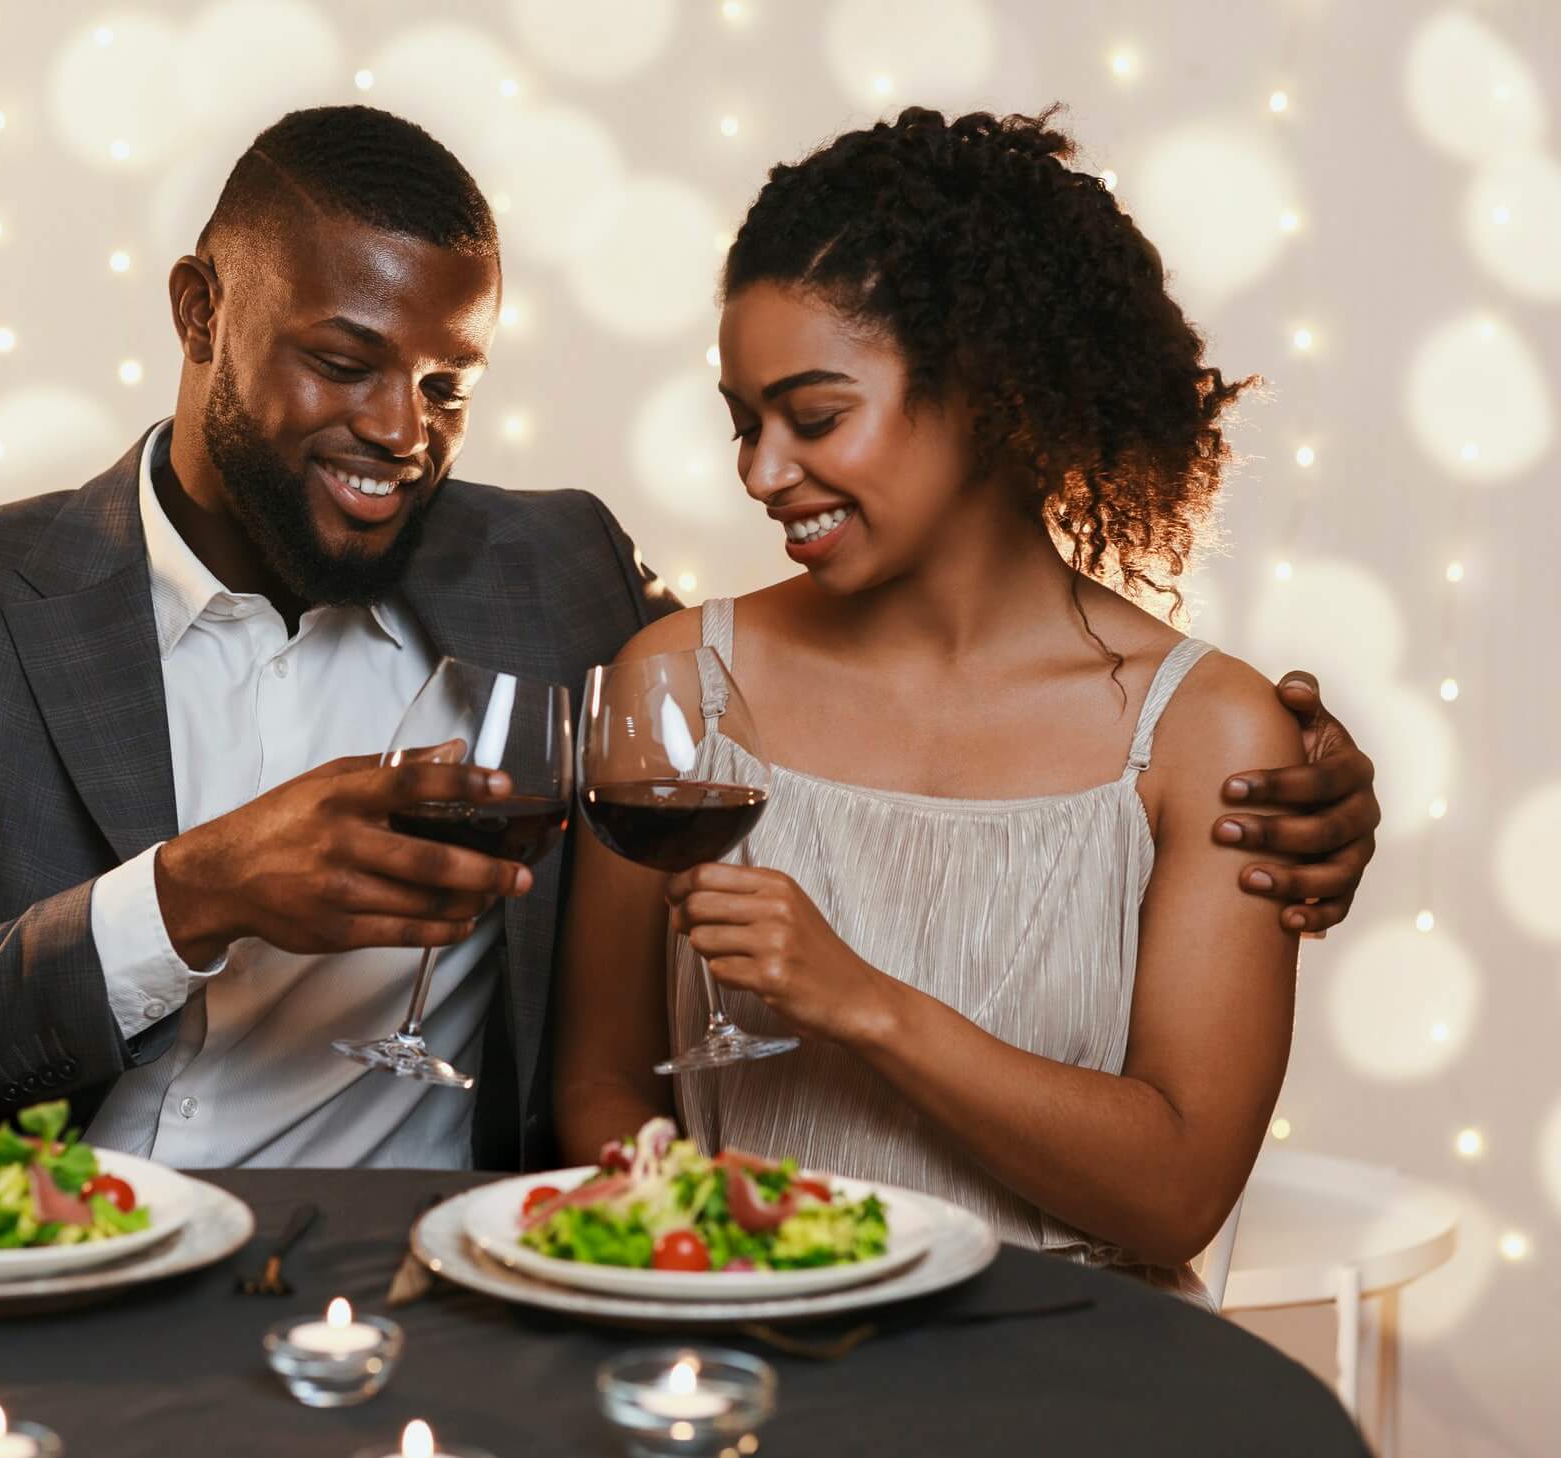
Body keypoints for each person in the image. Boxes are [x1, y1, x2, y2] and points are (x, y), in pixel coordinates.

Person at [0, 104, 1376, 1177]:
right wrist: (197, 893)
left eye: (450, 379)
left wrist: (1298, 775)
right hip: (70, 1286)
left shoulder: (557, 576)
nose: (404, 430)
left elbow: (841, 684)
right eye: (346, 362)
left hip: (446, 1309)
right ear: (201, 311)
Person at [554, 107, 1355, 1298]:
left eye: (814, 417)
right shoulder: (675, 681)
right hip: (739, 1350)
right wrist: (708, 1245)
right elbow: (596, 1082)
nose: (762, 472)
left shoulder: (1204, 733)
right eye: (744, 423)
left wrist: (863, 1004)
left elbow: (1177, 1188)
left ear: (986, 390)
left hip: (1069, 1381)